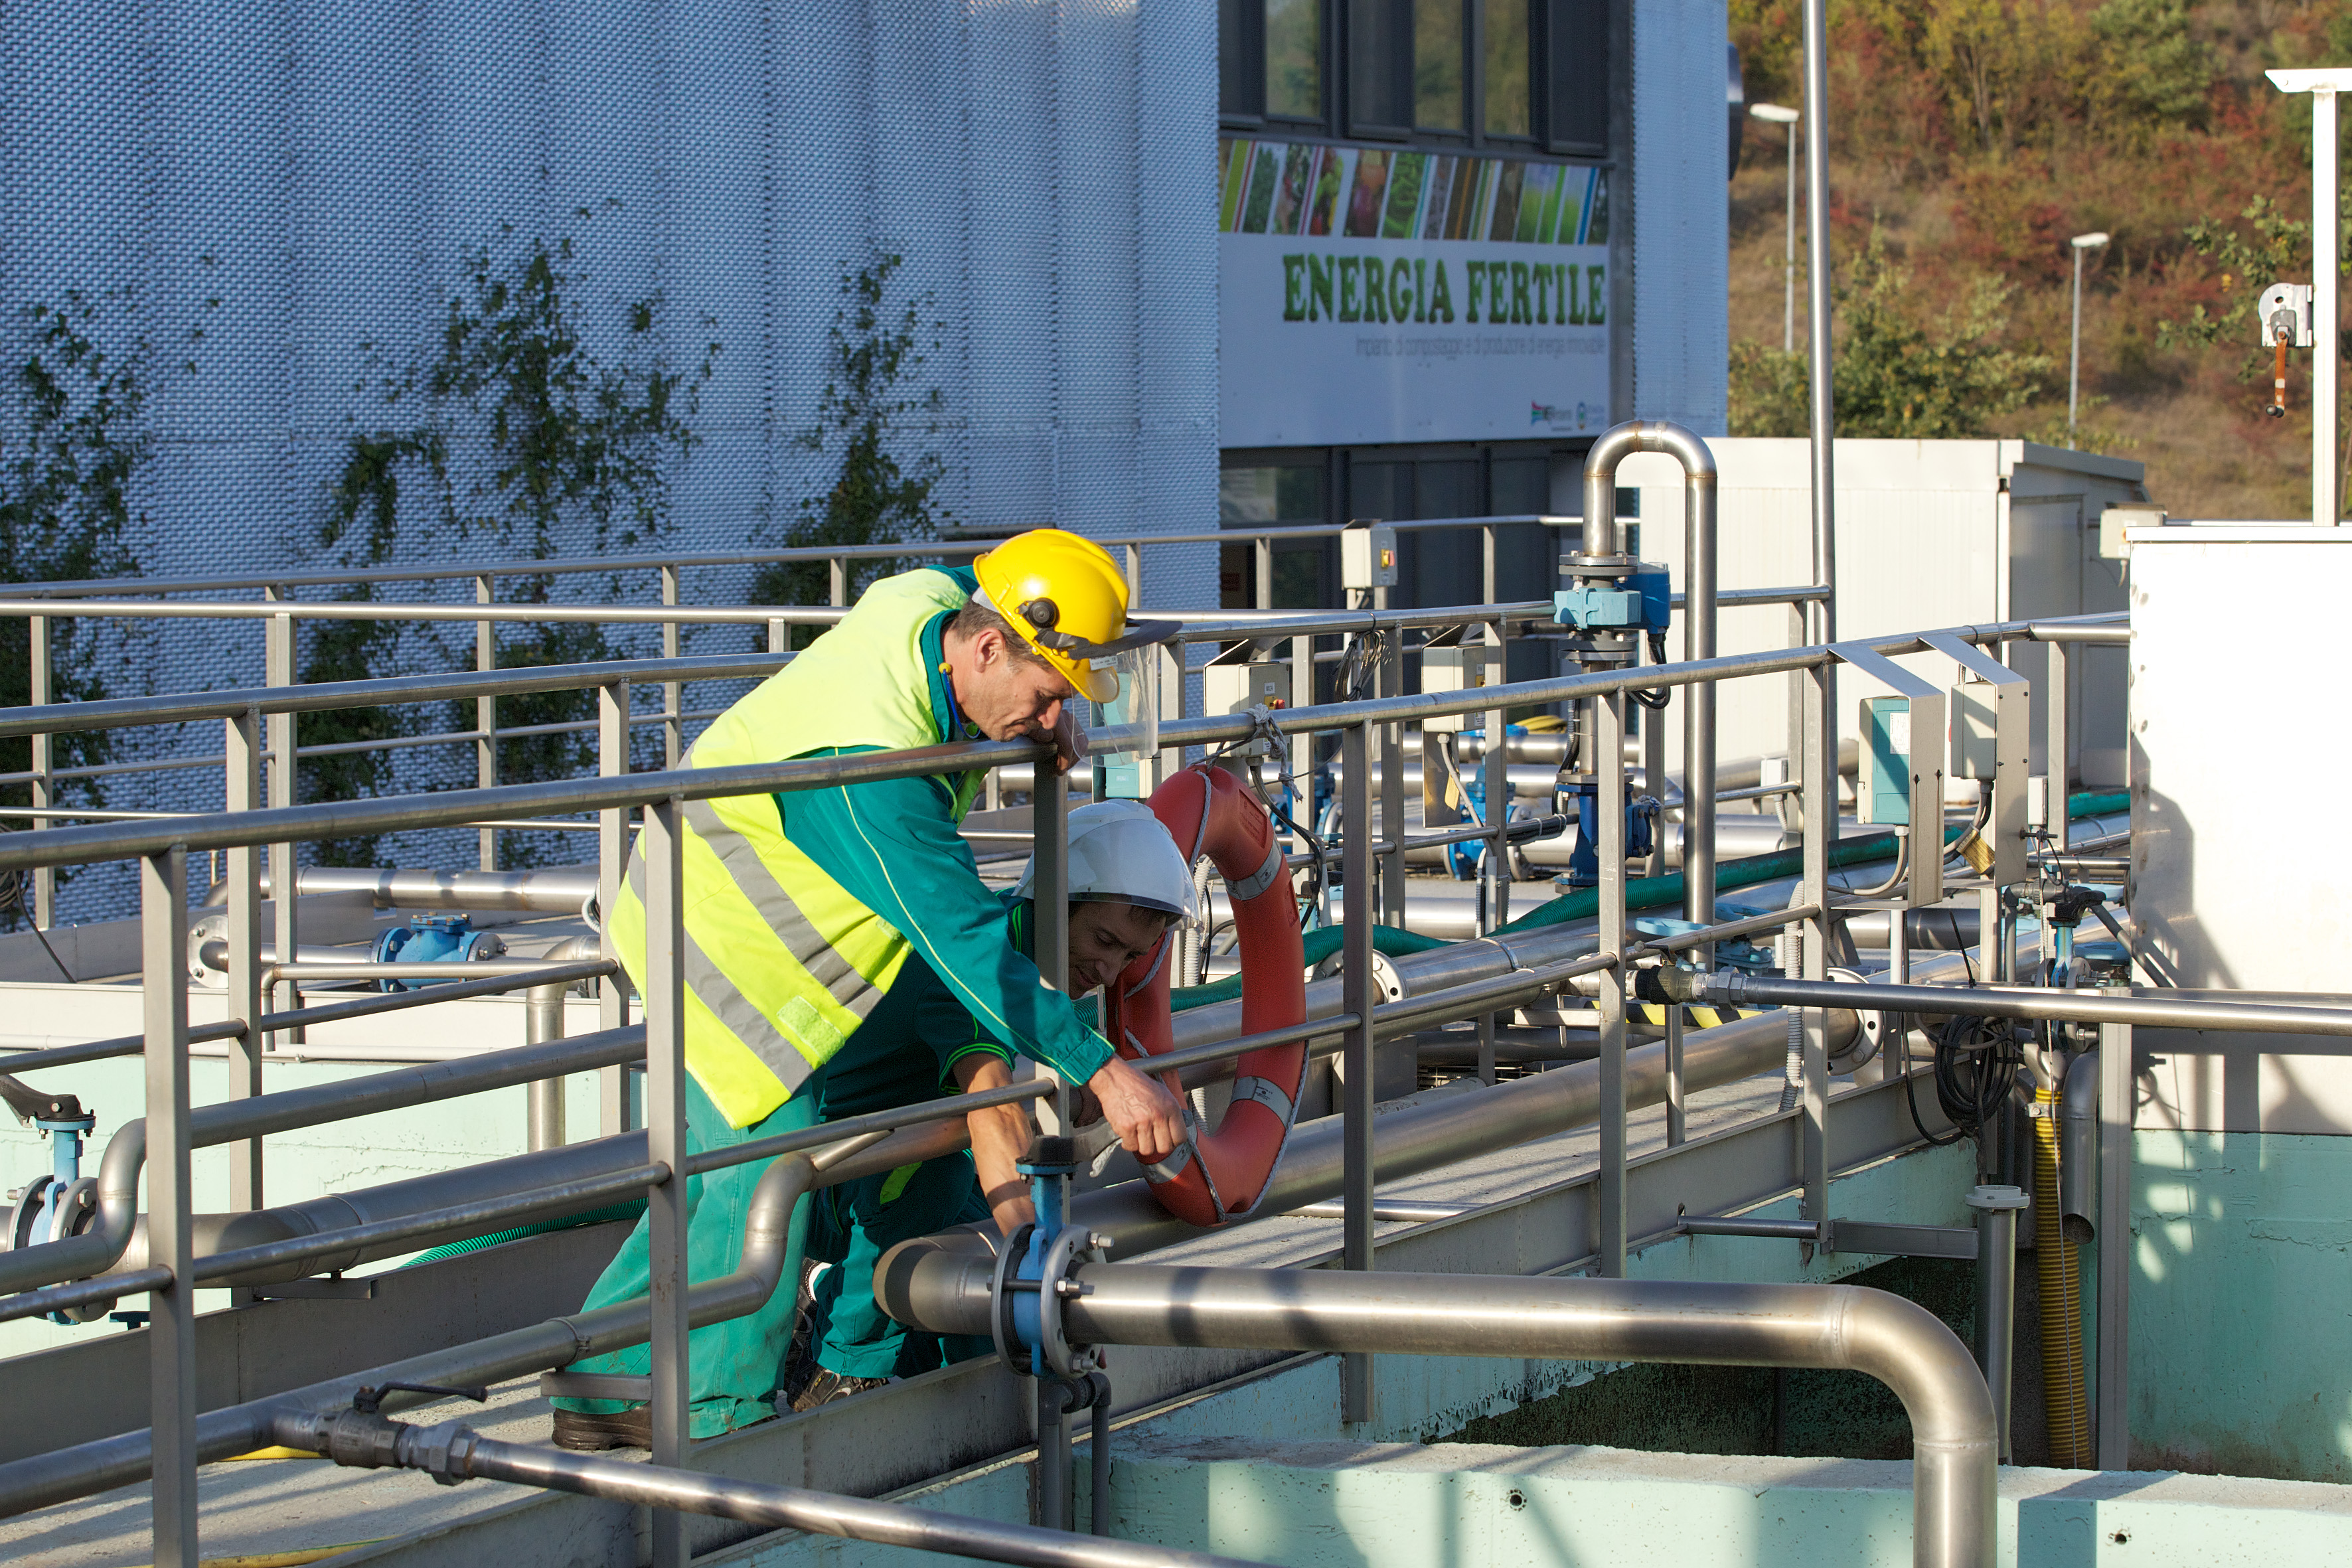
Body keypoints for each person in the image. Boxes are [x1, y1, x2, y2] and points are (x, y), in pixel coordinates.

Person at [551, 530, 1191, 1451]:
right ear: (983, 649)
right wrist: (1103, 1069)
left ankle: (601, 1385)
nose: (1046, 713)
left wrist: (1042, 708)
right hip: (722, 938)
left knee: (709, 1188)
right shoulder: (873, 771)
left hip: (698, 896)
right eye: (1045, 692)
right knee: (769, 1165)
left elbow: (975, 577)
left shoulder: (924, 610)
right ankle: (717, 1416)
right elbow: (965, 940)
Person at [783, 801, 1194, 1409]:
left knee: (982, 1264)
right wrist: (1050, 1277)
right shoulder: (973, 963)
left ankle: (907, 1346)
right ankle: (841, 1368)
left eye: (1130, 956)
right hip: (809, 1176)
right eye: (1103, 940)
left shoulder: (1056, 966)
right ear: (1055, 904)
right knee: (946, 1175)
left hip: (880, 1161)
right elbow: (993, 1106)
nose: (1109, 972)